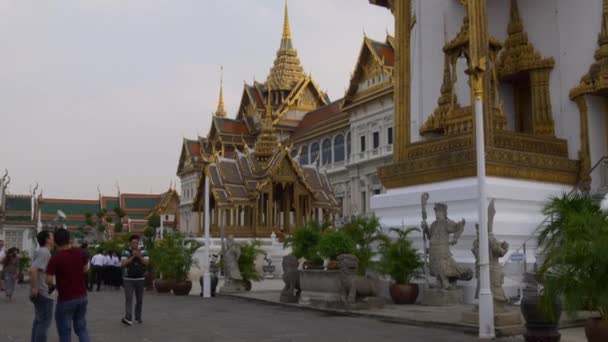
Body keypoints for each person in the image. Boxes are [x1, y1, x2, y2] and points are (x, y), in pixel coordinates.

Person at [46, 228, 90, 342]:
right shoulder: (80, 253)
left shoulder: (55, 258)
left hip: (66, 299)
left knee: (65, 331)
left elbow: (48, 279)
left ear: (55, 242)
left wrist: (53, 286)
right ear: (69, 239)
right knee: (81, 328)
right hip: (82, 296)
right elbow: (85, 270)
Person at [30, 230, 55, 342]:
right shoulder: (44, 252)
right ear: (47, 240)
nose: (53, 239)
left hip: (43, 291)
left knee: (39, 320)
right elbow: (33, 269)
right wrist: (35, 288)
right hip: (43, 292)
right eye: (52, 237)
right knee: (44, 322)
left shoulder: (42, 251)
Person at [121, 235, 148, 325]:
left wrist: (139, 256)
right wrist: (132, 256)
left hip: (140, 278)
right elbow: (123, 264)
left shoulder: (143, 251)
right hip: (128, 279)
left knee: (139, 300)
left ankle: (138, 317)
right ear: (130, 243)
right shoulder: (125, 251)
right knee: (129, 298)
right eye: (133, 243)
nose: (135, 244)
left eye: (136, 242)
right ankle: (128, 317)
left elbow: (147, 262)